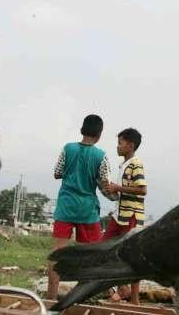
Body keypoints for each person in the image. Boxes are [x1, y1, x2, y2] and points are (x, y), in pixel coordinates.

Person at [47, 114, 112, 300]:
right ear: (99, 134)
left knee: (57, 253)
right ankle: (81, 297)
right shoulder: (101, 156)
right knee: (90, 255)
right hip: (87, 210)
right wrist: (116, 195)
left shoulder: (68, 149)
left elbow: (57, 173)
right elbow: (105, 185)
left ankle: (51, 296)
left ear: (82, 130)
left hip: (65, 206)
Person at [102, 128, 146, 305]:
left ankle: (134, 300)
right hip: (119, 214)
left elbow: (142, 190)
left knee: (132, 257)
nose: (117, 146)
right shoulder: (124, 165)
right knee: (104, 249)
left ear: (130, 145)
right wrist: (111, 189)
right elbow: (122, 193)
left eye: (120, 143)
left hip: (131, 216)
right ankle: (122, 289)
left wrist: (118, 188)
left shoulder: (136, 164)